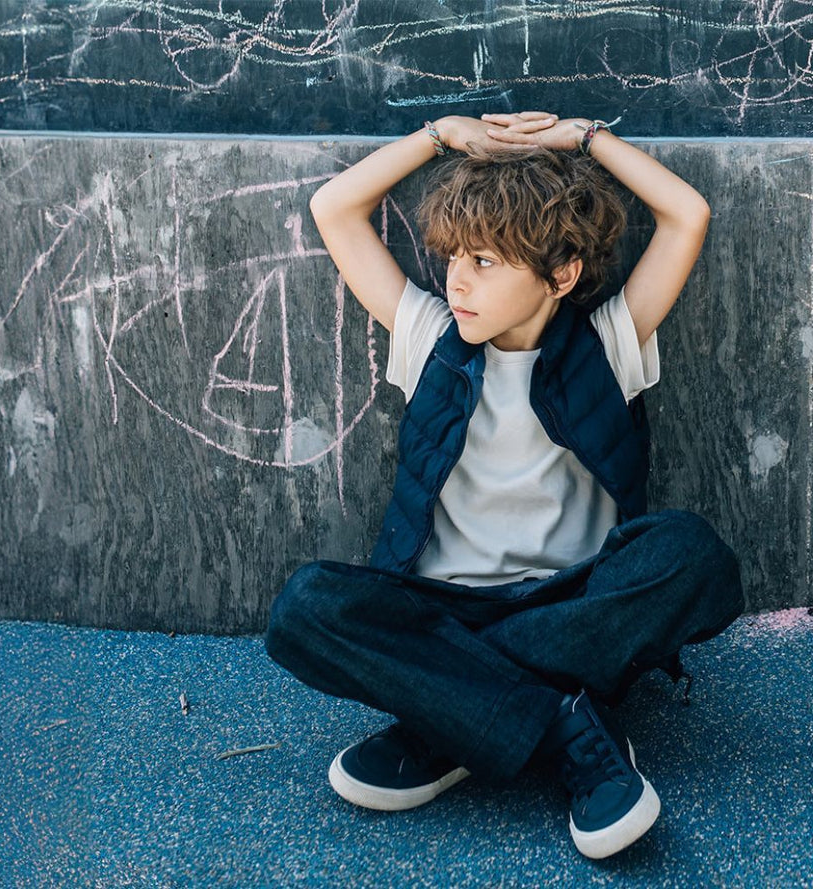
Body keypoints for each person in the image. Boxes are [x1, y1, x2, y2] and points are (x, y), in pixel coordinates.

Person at [264, 111, 744, 860]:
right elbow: (334, 209)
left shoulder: (610, 345)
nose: (457, 279)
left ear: (561, 275)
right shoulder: (429, 337)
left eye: (485, 262)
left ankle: (448, 716)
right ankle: (567, 730)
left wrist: (583, 139)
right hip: (445, 612)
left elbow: (688, 215)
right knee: (304, 607)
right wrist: (440, 137)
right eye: (453, 256)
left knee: (692, 556)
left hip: (572, 603)